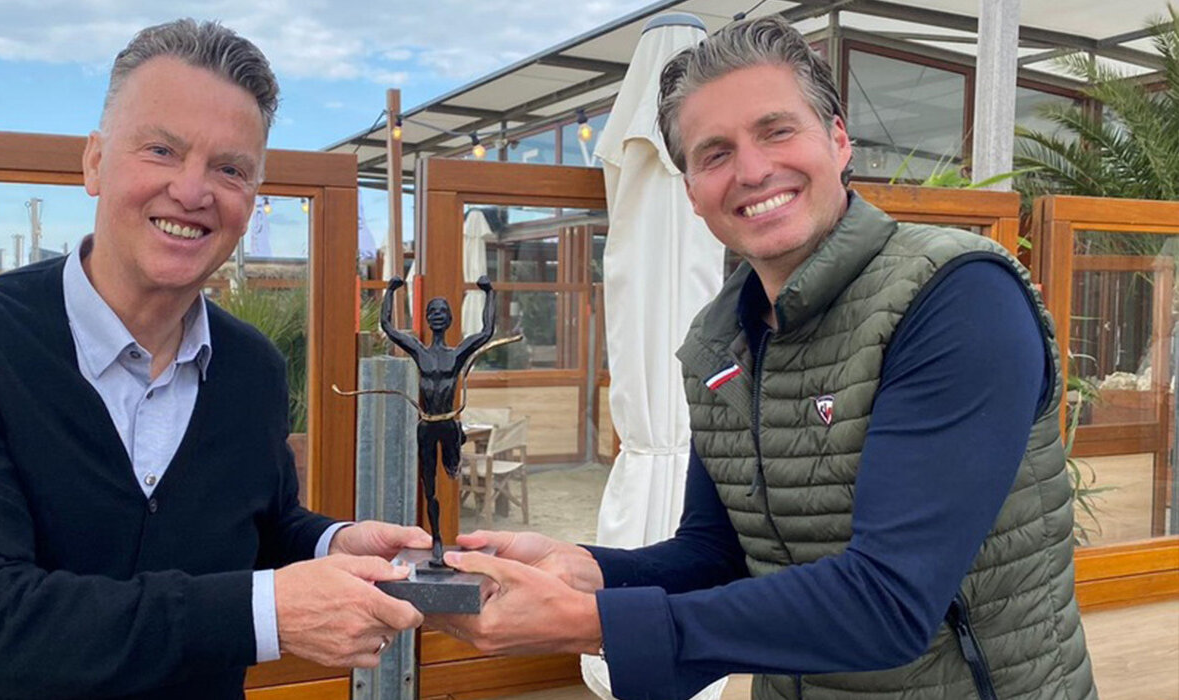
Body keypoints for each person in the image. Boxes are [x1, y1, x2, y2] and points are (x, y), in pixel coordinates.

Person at [430, 16, 1096, 700]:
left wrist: (590, 622)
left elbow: (889, 602)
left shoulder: (956, 297)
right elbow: (716, 555)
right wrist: (584, 571)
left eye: (776, 131)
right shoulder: (715, 343)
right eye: (714, 153)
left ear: (838, 140)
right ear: (692, 192)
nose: (751, 171)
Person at [0, 19, 426, 700]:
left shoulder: (250, 367)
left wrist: (329, 545)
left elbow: (256, 526)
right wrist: (262, 615)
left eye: (230, 169)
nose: (193, 192)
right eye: (162, 150)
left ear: (251, 197)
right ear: (94, 163)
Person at [379, 275, 496, 564]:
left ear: (450, 319)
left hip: (448, 424)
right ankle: (437, 539)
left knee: (453, 472)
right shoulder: (419, 351)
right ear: (427, 319)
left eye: (443, 312)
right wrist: (390, 291)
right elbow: (387, 327)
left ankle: (462, 532)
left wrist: (489, 293)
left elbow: (487, 331)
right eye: (432, 312)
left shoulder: (457, 354)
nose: (438, 315)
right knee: (429, 484)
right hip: (427, 425)